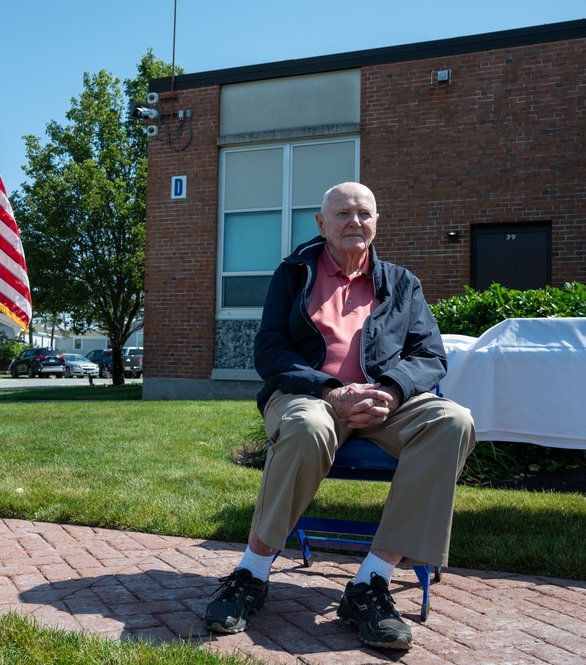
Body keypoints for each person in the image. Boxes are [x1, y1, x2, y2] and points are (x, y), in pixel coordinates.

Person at [203, 182, 475, 651]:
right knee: (308, 426)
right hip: (310, 396)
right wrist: (331, 391)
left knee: (454, 421)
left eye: (364, 213)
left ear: (376, 221)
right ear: (321, 223)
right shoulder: (293, 274)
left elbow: (430, 356)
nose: (354, 221)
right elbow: (269, 351)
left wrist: (390, 391)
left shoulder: (402, 283)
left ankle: (372, 583)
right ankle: (251, 572)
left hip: (385, 403)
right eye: (343, 213)